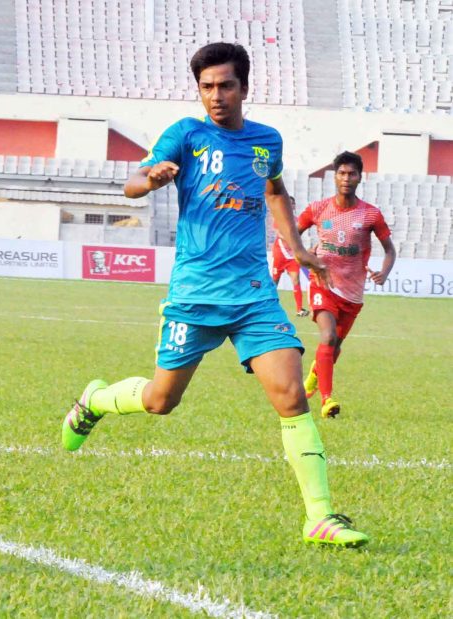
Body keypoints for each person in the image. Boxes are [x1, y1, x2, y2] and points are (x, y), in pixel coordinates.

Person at [61, 42, 369, 547]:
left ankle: (320, 516)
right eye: (207, 87)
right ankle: (94, 400)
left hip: (252, 295)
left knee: (292, 397)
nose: (216, 96)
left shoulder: (266, 141)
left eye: (226, 85)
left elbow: (274, 192)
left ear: (244, 88)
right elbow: (132, 184)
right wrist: (152, 177)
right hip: (196, 294)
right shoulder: (186, 135)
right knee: (161, 401)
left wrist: (298, 249)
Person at [297, 151, 395, 419]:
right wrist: (307, 256)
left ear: (360, 177)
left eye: (352, 173)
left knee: (335, 345)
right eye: (342, 173)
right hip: (323, 284)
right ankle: (327, 401)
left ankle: (315, 376)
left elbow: (390, 251)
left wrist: (384, 273)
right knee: (327, 336)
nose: (346, 178)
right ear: (335, 176)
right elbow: (292, 235)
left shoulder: (370, 215)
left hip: (352, 292)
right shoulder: (317, 209)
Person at [271, 197, 309, 317]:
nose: (290, 205)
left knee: (296, 279)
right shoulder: (280, 217)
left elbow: (298, 234)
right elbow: (280, 234)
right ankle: (268, 306)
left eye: (292, 204)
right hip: (280, 253)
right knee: (274, 281)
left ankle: (299, 309)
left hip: (292, 255)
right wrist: (292, 239)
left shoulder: (296, 220)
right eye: (288, 203)